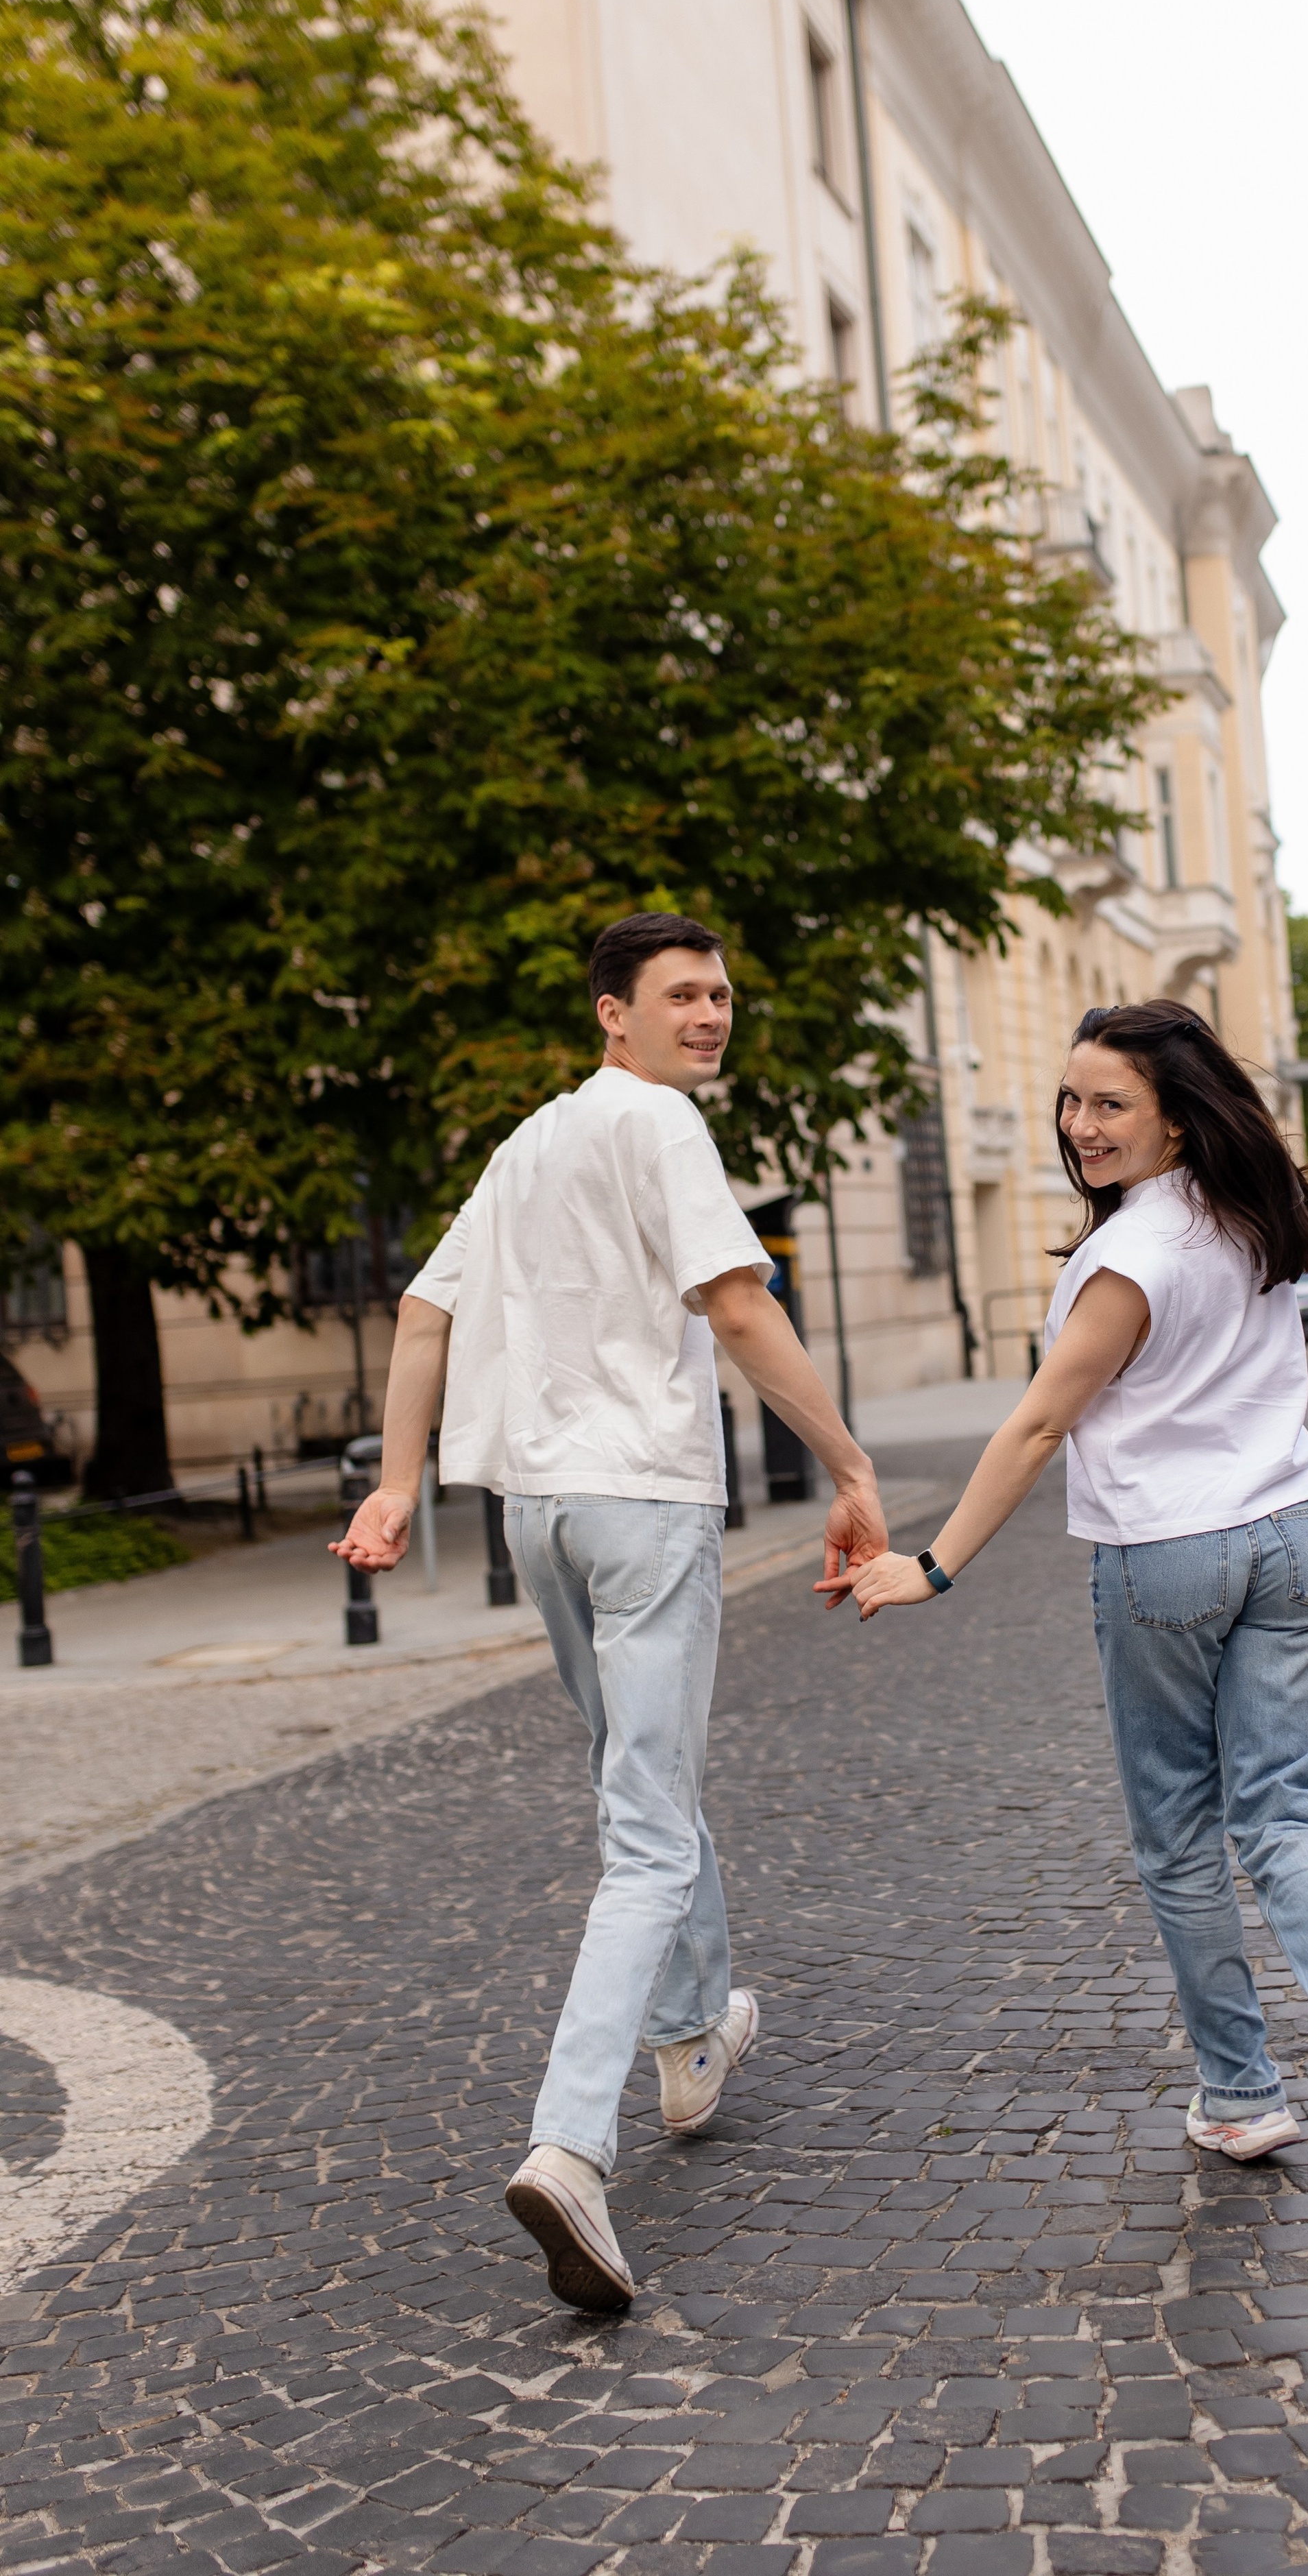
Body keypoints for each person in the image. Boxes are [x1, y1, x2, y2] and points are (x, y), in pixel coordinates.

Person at [330, 912, 888, 2308]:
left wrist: (397, 1484)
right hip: (640, 1499)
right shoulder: (658, 1124)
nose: (710, 1014)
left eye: (721, 993)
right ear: (612, 1013)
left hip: (538, 1512)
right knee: (646, 1825)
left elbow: (421, 1313)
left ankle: (692, 2039)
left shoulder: (527, 1144)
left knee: (642, 1778)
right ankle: (571, 2145)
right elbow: (739, 1307)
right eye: (681, 994)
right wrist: (849, 1462)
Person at [839, 1000, 1308, 2187]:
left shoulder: (1131, 1257)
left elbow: (1039, 1424)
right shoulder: (1248, 1212)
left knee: (1181, 1834)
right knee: (1284, 1809)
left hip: (1170, 1555)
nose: (1081, 1123)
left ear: (1176, 1121)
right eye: (1071, 1100)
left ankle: (1242, 2093)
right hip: (1291, 1540)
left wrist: (932, 1564)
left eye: (1110, 1103)